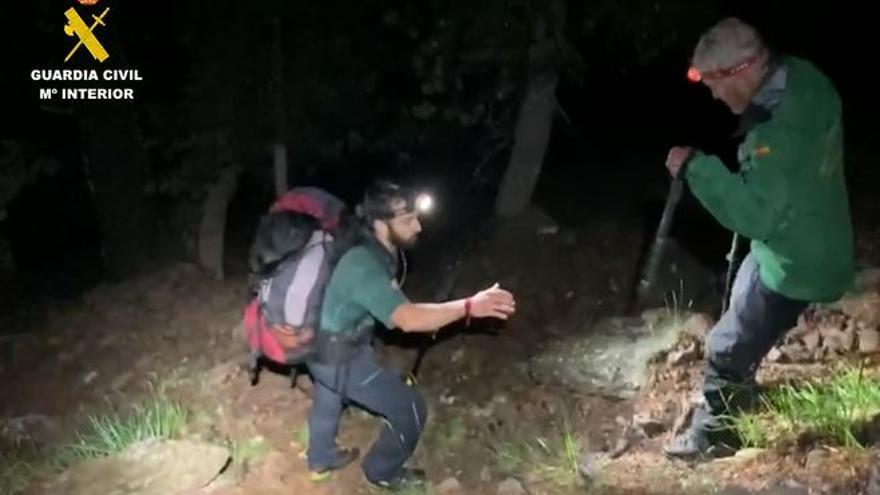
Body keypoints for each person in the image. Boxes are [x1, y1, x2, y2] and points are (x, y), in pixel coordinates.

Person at [663, 17, 854, 459]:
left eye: (713, 82)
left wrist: (697, 168)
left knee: (725, 347)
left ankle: (715, 438)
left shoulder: (773, 136)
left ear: (742, 70)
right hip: (817, 235)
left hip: (797, 264)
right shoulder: (805, 80)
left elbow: (754, 216)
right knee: (743, 290)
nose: (712, 93)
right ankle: (742, 382)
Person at [305, 179, 517, 489]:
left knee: (329, 397)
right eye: (407, 220)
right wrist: (470, 305)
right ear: (379, 223)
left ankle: (319, 459)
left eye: (417, 217)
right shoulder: (363, 263)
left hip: (318, 346)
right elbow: (408, 319)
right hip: (338, 356)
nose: (418, 227)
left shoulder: (369, 247)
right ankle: (381, 472)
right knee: (411, 408)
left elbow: (392, 301)